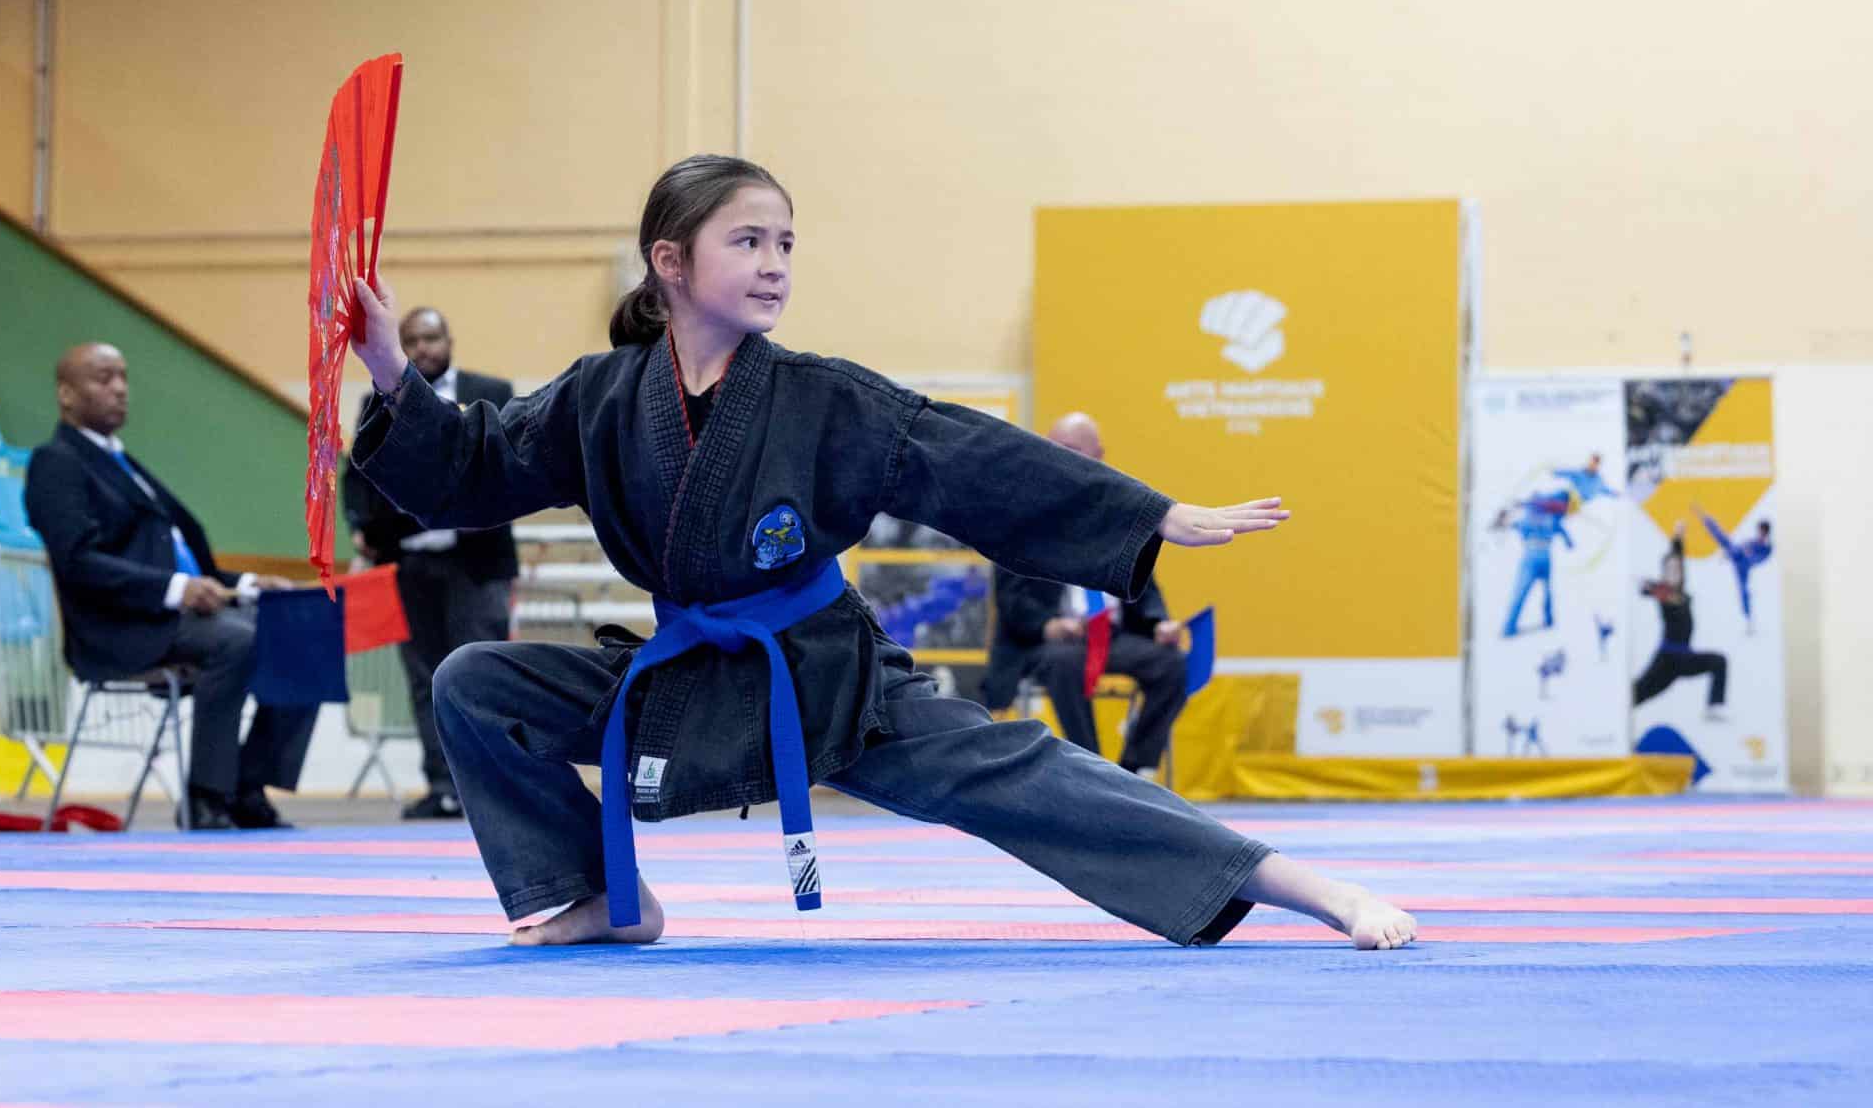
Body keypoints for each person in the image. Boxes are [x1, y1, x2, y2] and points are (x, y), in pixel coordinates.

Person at [347, 155, 1416, 951]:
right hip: (682, 676)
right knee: (477, 679)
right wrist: (391, 369)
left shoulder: (821, 398)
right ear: (667, 262)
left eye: (784, 244)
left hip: (821, 678)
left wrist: (1143, 517)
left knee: (1017, 773)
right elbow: (474, 467)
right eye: (746, 241)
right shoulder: (598, 397)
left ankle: (1302, 885)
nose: (773, 265)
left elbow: (974, 459)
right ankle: (592, 899)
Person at [24, 343, 317, 829]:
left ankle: (249, 787)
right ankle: (205, 799)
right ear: (66, 394)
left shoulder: (127, 466)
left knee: (304, 632)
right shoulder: (55, 462)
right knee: (237, 640)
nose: (118, 388)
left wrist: (246, 582)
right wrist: (173, 589)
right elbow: (77, 563)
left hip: (185, 613)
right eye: (102, 378)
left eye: (122, 376)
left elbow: (192, 565)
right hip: (124, 626)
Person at [342, 306, 520, 820]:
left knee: (482, 675)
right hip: (410, 563)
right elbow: (359, 474)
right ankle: (443, 786)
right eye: (411, 340)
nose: (422, 349)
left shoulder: (493, 391)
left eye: (431, 338)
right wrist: (360, 524)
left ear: (450, 339)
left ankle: (493, 784)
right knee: (424, 679)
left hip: (477, 561)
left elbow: (512, 462)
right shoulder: (379, 399)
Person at [981, 413, 1191, 777]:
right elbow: (1012, 599)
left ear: (1099, 456)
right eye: (1053, 449)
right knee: (1065, 662)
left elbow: (1145, 586)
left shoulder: (1122, 512)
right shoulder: (1021, 512)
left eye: (1071, 450)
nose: (1059, 458)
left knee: (1172, 664)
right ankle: (1091, 771)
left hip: (1112, 636)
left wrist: (1159, 623)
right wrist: (1050, 625)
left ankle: (1135, 769)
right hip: (1050, 642)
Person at [1632, 520, 1728, 721]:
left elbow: (1677, 557)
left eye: (1677, 569)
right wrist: (1649, 587)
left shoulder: (1681, 591)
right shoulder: (1662, 590)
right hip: (1667, 660)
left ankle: (1714, 707)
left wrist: (1677, 536)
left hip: (1684, 658)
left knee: (1719, 661)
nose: (1674, 572)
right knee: (1636, 695)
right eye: (1669, 570)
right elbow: (1646, 590)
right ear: (1664, 574)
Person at [1495, 490, 1573, 637]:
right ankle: (1548, 620)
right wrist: (1569, 542)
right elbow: (1563, 532)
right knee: (1546, 590)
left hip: (1531, 555)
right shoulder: (1551, 518)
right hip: (1545, 556)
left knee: (1522, 591)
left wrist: (1501, 520)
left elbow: (1510, 524)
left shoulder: (1529, 517)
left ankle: (1509, 627)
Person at [1691, 503, 1772, 635]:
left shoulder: (1767, 547)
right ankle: (1703, 516)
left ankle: (1749, 621)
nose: (1760, 532)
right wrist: (1732, 554)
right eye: (1759, 530)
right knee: (1723, 538)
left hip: (1744, 565)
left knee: (1744, 591)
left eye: (1762, 531)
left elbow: (1758, 559)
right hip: (1738, 557)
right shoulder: (1753, 541)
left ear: (1766, 531)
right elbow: (1740, 546)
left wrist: (1746, 555)